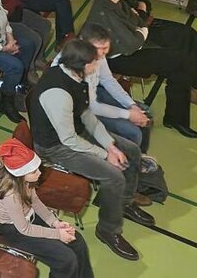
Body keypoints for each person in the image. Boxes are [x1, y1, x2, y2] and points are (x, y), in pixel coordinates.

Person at [28, 40, 153, 261]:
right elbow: (68, 140)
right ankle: (108, 230)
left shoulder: (77, 78)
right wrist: (107, 155)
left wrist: (109, 145)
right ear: (81, 64)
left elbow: (87, 116)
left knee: (131, 150)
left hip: (74, 133)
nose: (98, 63)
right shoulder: (58, 92)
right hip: (57, 147)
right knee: (114, 176)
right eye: (94, 61)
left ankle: (122, 203)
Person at [85, 0, 197, 137]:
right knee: (178, 60)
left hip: (133, 47)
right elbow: (131, 44)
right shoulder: (106, 12)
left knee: (179, 68)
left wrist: (139, 28)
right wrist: (143, 29)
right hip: (119, 59)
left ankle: (176, 119)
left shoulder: (113, 0)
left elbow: (136, 21)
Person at [0, 139, 94, 278]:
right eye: (33, 172)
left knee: (76, 241)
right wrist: (58, 234)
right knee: (65, 259)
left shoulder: (24, 180)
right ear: (20, 174)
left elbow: (35, 202)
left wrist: (55, 223)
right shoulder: (9, 194)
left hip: (27, 217)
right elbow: (24, 229)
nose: (39, 173)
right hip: (11, 230)